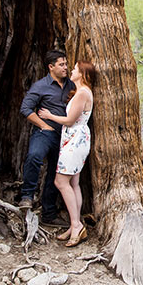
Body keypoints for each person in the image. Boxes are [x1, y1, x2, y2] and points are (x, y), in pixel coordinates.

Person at [38, 60, 95, 247]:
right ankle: (75, 224)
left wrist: (49, 116)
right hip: (75, 140)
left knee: (60, 182)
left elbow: (70, 120)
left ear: (82, 73)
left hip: (75, 141)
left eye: (75, 69)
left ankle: (76, 225)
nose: (71, 70)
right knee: (74, 183)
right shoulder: (82, 92)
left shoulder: (82, 93)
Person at [18, 49, 75, 223]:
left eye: (66, 64)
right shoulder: (40, 86)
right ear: (51, 67)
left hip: (65, 137)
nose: (65, 67)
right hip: (45, 133)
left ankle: (49, 214)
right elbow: (25, 108)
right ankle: (27, 196)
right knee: (35, 156)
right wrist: (44, 125)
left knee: (55, 174)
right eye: (61, 64)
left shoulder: (71, 85)